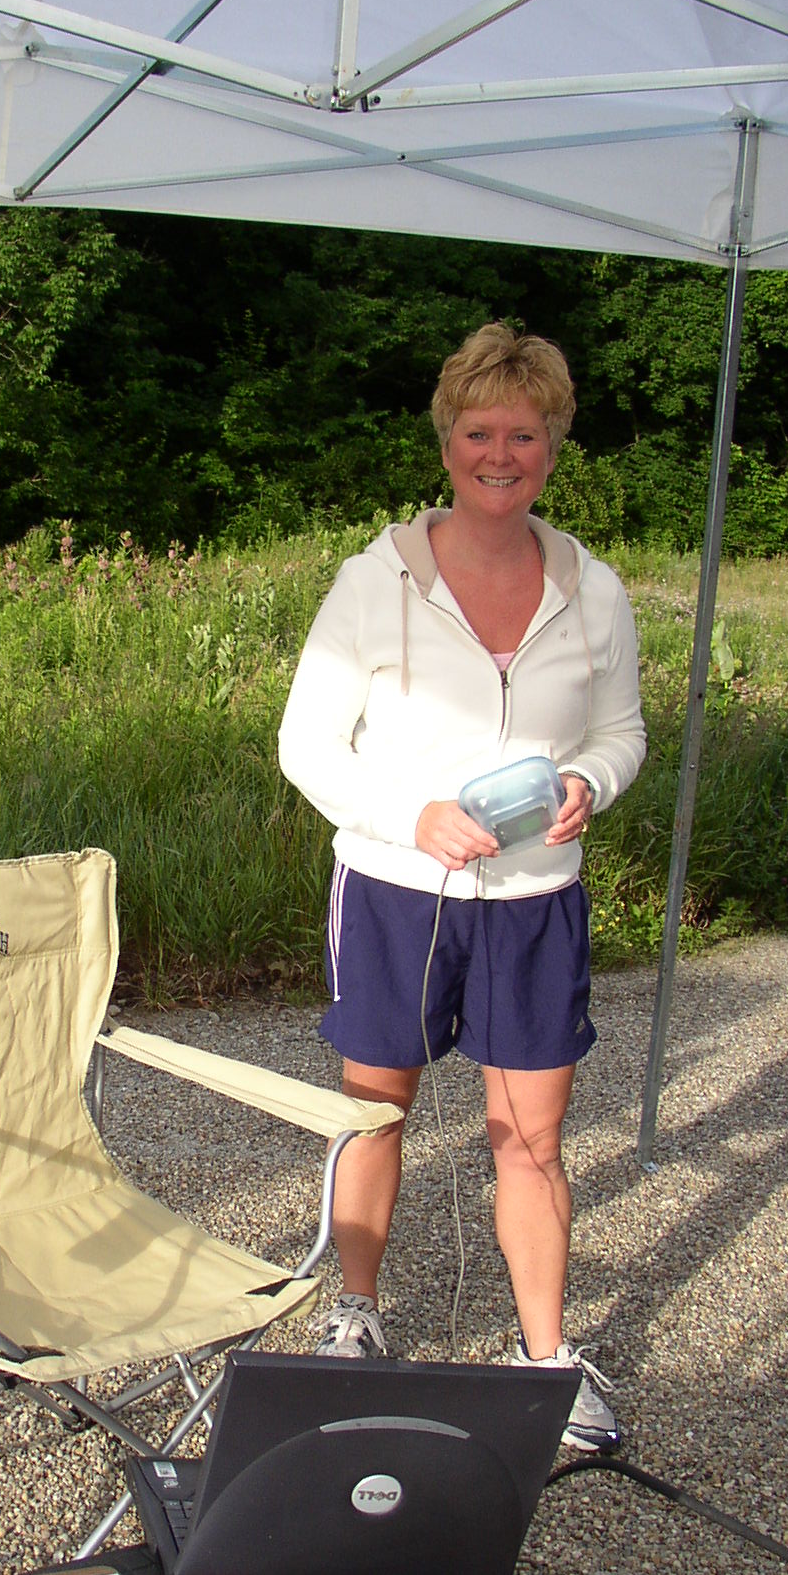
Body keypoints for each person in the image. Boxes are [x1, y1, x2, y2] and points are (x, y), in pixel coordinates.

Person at [277, 322, 645, 1451]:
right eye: (479, 431)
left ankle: (549, 1359)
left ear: (553, 443)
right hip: (395, 887)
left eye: (523, 433)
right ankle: (354, 1315)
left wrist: (589, 779)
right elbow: (306, 743)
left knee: (529, 1136)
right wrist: (411, 815)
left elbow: (624, 729)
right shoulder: (374, 578)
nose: (501, 454)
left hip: (536, 898)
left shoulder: (593, 586)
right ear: (447, 442)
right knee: (374, 1110)